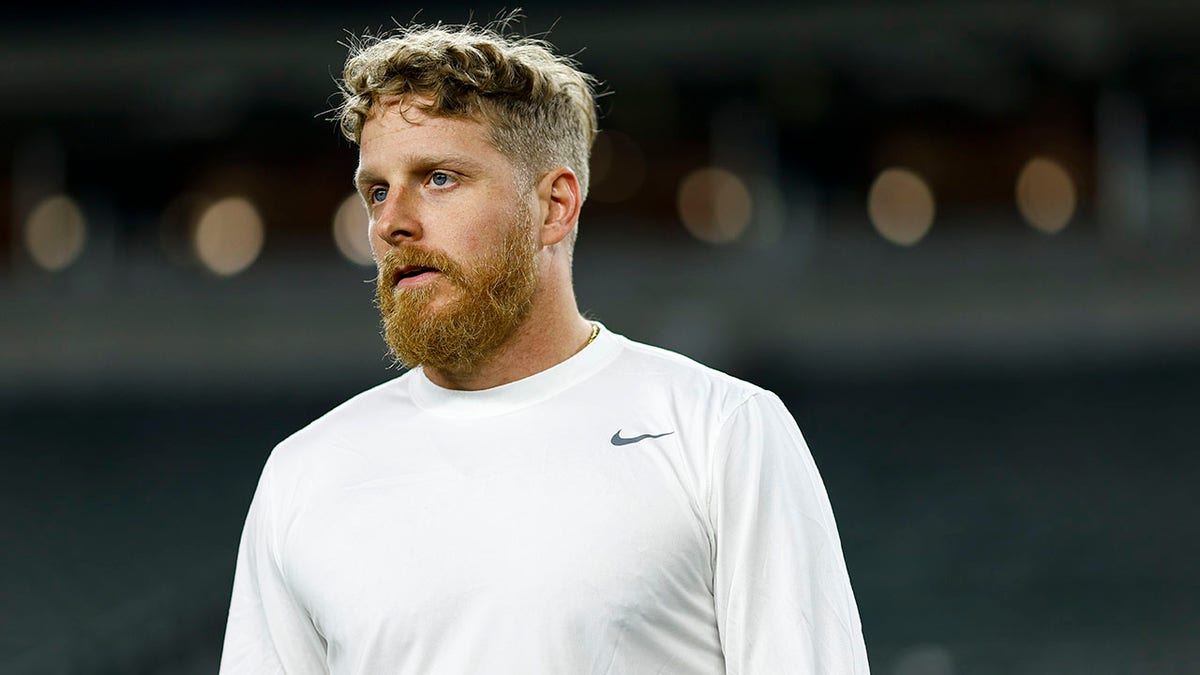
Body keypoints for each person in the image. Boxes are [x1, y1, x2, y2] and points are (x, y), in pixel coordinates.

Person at [220, 18, 869, 675]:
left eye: (439, 178)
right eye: (377, 190)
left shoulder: (720, 431)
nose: (391, 222)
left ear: (555, 205)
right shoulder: (302, 474)